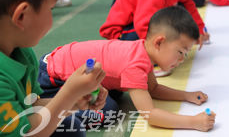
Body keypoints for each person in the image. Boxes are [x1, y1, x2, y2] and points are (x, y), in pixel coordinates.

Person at [39, 7, 216, 132]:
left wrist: (186, 95)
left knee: (113, 94)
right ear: (159, 42)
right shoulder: (135, 65)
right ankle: (52, 107)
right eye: (180, 52)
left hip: (60, 63)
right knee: (108, 111)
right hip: (52, 76)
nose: (181, 60)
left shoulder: (142, 50)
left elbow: (152, 89)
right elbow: (150, 114)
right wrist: (193, 122)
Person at [0, 0, 107, 136]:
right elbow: (28, 132)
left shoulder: (21, 52)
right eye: (50, 8)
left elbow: (30, 105)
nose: (52, 13)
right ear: (21, 16)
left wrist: (74, 100)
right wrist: (69, 93)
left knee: (69, 125)